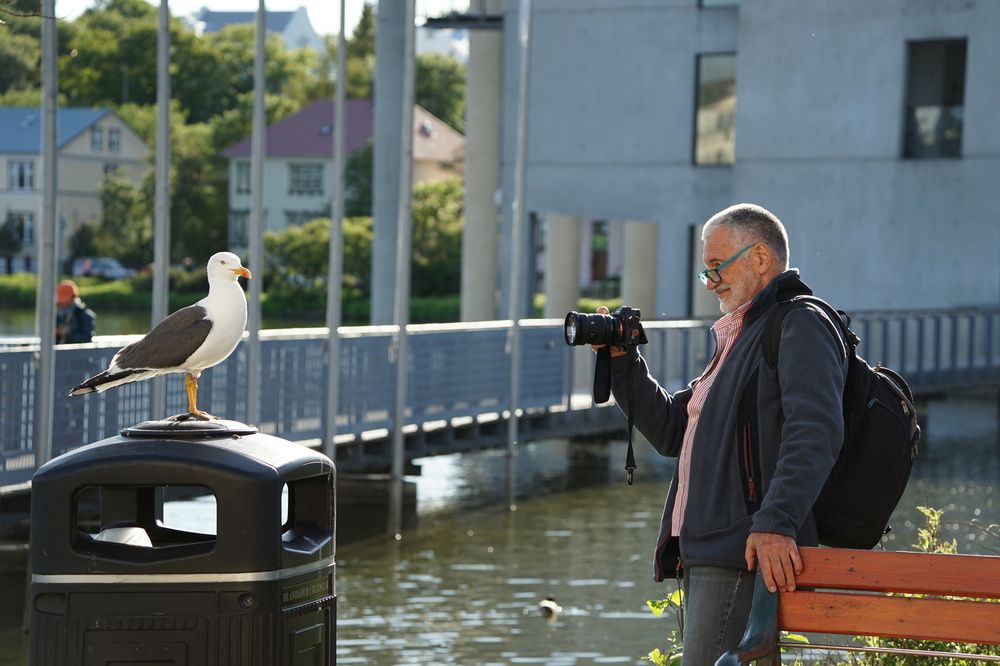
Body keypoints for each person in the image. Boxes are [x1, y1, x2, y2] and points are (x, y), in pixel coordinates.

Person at [601, 203, 848, 664]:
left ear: (760, 258)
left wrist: (777, 521)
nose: (711, 282)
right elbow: (673, 429)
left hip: (743, 551)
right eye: (706, 271)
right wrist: (621, 358)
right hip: (711, 549)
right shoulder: (741, 336)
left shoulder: (800, 322)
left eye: (718, 267)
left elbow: (816, 430)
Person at [56, 279, 96, 343]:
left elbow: (87, 338)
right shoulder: (56, 315)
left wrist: (68, 333)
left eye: (66, 301)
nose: (62, 304)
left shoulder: (85, 315)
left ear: (74, 297)